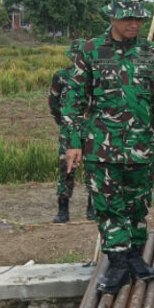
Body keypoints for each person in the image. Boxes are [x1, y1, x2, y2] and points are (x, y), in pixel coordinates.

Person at [62, 0, 154, 293]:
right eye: (127, 18)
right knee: (109, 206)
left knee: (138, 205)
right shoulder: (90, 51)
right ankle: (117, 264)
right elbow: (73, 100)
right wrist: (73, 142)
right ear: (113, 15)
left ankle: (135, 257)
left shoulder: (152, 53)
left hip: (141, 147)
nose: (134, 24)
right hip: (101, 147)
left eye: (139, 18)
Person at [48, 39, 94, 223]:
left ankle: (92, 208)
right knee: (66, 169)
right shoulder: (61, 76)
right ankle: (63, 209)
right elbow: (53, 102)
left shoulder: (95, 78)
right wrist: (64, 122)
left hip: (92, 129)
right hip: (69, 130)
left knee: (93, 168)